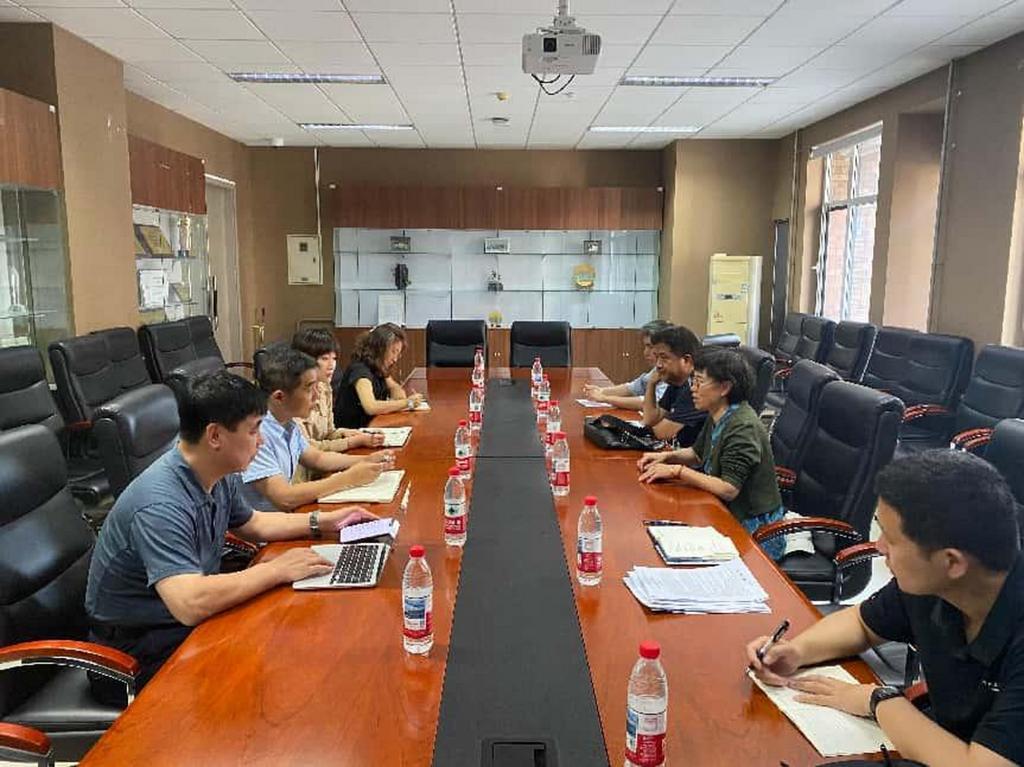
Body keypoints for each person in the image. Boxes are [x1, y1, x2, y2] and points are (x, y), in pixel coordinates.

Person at [85, 371, 376, 700]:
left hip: (178, 627)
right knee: (281, 667)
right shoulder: (159, 504)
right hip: (135, 654)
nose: (261, 441)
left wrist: (322, 522)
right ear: (215, 436)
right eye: (254, 430)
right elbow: (189, 603)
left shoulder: (216, 471)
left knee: (294, 638)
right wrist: (276, 570)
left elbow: (254, 523)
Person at [746, 450, 1024, 767]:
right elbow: (862, 623)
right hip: (941, 743)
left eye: (890, 539)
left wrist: (880, 700)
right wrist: (797, 651)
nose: (879, 548)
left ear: (951, 562)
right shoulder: (937, 583)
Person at [637, 348, 784, 558]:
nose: (693, 389)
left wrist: (678, 471)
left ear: (724, 387)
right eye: (693, 381)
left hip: (753, 528)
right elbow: (697, 454)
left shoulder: (743, 427)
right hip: (724, 509)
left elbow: (728, 489)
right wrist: (666, 456)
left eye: (699, 382)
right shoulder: (719, 414)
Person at [242, 346, 392, 511]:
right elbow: (284, 497)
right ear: (279, 397)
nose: (317, 395)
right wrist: (348, 479)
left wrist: (366, 460)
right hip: (268, 524)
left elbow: (317, 458)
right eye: (309, 388)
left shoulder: (288, 423)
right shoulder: (257, 433)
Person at [291, 328, 385, 482]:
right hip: (305, 477)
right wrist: (351, 442)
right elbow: (311, 450)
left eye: (334, 358)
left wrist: (349, 434)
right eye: (324, 358)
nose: (331, 365)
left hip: (322, 470)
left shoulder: (324, 387)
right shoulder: (294, 398)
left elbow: (328, 432)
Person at [334, 323, 424, 429]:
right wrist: (408, 403)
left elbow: (395, 389)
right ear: (380, 349)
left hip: (371, 426)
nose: (395, 359)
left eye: (398, 354)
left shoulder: (378, 366)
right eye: (393, 352)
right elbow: (370, 407)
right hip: (352, 431)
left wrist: (401, 399)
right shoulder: (360, 371)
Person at [581, 319, 673, 410]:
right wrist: (601, 391)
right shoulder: (657, 369)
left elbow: (653, 403)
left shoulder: (672, 371)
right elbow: (633, 388)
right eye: (645, 346)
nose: (646, 352)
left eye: (650, 347)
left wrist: (605, 398)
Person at [640, 324, 706, 446]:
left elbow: (661, 432)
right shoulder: (677, 382)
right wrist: (651, 384)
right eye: (657, 357)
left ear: (686, 360)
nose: (658, 365)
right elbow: (650, 419)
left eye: (664, 357)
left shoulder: (696, 387)